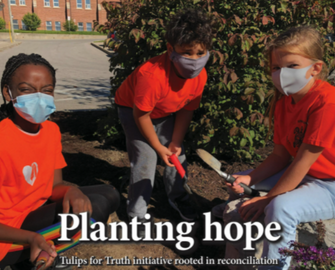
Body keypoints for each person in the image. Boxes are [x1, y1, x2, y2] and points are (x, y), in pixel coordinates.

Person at [220, 26, 335, 270]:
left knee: (281, 207)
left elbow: (303, 161)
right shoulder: (284, 103)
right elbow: (281, 156)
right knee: (243, 187)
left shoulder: (327, 102)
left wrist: (269, 199)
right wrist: (249, 177)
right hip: (306, 175)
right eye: (276, 67)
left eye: (292, 66)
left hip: (329, 184)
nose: (282, 74)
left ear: (315, 68)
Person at [0, 53, 120, 270]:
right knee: (98, 208)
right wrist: (30, 238)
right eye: (26, 89)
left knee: (110, 193)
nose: (39, 97)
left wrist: (71, 191)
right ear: (8, 93)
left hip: (35, 209)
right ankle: (32, 253)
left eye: (47, 90)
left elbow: (54, 186)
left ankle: (40, 251)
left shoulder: (51, 130)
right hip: (7, 233)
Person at [115, 8, 212, 226]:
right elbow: (141, 115)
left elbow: (187, 109)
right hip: (134, 111)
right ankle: (136, 214)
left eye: (200, 52)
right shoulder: (151, 76)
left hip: (164, 111)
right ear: (171, 49)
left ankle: (178, 198)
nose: (195, 60)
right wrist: (159, 148)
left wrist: (175, 142)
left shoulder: (200, 75)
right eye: (187, 52)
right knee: (146, 160)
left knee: (178, 156)